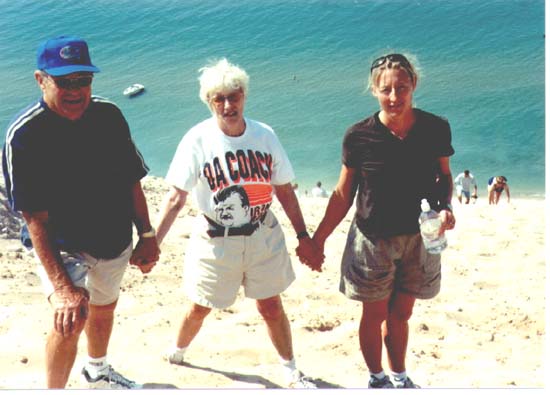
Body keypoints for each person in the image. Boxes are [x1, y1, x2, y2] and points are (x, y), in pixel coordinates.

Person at [2, 36, 160, 389]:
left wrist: (147, 235)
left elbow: (131, 181)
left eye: (83, 80)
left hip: (112, 235)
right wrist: (62, 287)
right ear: (41, 80)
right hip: (61, 243)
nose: (75, 90)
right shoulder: (23, 135)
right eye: (64, 81)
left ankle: (98, 372)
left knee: (104, 308)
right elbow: (34, 218)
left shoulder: (109, 115)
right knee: (70, 317)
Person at [155, 58, 320, 389]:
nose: (228, 105)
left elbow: (284, 190)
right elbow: (176, 197)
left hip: (263, 233)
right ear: (208, 101)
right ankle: (178, 349)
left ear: (245, 96)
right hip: (216, 238)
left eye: (235, 96)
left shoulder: (264, 135)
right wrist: (152, 242)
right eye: (220, 98)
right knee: (200, 306)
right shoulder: (197, 140)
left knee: (271, 305)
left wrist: (304, 236)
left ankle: (289, 368)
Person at [297, 53, 455, 388]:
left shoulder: (435, 128)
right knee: (375, 314)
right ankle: (377, 377)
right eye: (386, 90)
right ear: (373, 90)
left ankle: (399, 375)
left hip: (421, 236)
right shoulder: (359, 136)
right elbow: (342, 194)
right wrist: (317, 240)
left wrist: (445, 207)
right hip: (373, 239)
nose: (395, 97)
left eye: (402, 88)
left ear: (414, 86)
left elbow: (444, 176)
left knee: (403, 314)